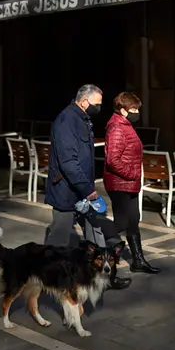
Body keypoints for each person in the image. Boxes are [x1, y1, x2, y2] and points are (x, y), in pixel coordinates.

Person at [44, 84, 132, 290]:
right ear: (84, 102)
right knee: (59, 239)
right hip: (67, 191)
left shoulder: (82, 119)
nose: (99, 108)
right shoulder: (66, 121)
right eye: (97, 104)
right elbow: (68, 162)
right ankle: (48, 279)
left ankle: (104, 279)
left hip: (82, 192)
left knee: (98, 234)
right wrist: (88, 189)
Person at [103, 92, 160, 274]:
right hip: (120, 183)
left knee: (133, 221)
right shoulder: (117, 128)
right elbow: (113, 159)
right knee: (120, 223)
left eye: (137, 108)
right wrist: (132, 173)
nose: (136, 112)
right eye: (133, 109)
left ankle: (138, 261)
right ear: (122, 110)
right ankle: (101, 260)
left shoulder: (125, 125)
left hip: (129, 182)